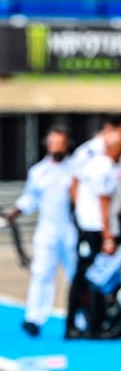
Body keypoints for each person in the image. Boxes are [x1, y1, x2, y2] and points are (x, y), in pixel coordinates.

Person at [5, 128, 77, 337]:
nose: (57, 147)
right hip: (47, 230)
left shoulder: (75, 169)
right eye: (53, 143)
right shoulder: (38, 172)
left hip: (70, 230)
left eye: (60, 143)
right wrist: (15, 211)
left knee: (76, 274)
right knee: (42, 273)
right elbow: (30, 198)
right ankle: (34, 317)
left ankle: (81, 317)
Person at [67, 127, 121, 339]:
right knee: (97, 277)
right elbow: (103, 203)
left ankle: (89, 322)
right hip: (97, 229)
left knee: (88, 276)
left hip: (90, 226)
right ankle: (93, 324)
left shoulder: (97, 165)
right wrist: (107, 236)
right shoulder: (104, 168)